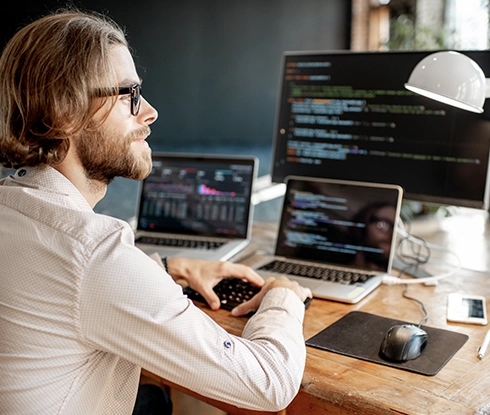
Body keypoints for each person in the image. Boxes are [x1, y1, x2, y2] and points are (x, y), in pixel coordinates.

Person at [0, 8, 312, 415]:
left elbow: (62, 290)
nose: (149, 111)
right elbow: (268, 385)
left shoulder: (12, 205)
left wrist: (165, 269)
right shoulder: (94, 253)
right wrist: (284, 298)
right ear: (64, 112)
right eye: (129, 94)